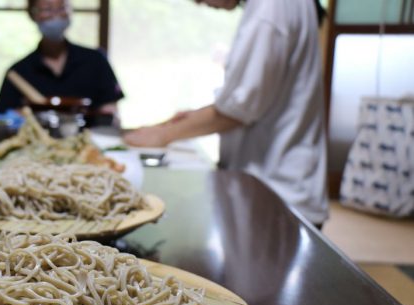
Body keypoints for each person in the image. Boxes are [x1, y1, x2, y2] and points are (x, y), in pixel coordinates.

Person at [124, 0, 329, 226]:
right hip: (278, 187)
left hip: (277, 193)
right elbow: (251, 98)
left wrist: (162, 135)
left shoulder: (269, 9)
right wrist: (185, 120)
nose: (200, 3)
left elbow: (237, 110)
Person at [0, 0, 124, 121]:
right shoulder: (18, 72)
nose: (55, 15)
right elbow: (1, 120)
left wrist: (109, 120)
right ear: (32, 14)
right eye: (47, 9)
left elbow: (110, 108)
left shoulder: (96, 60)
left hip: (90, 141)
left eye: (62, 7)